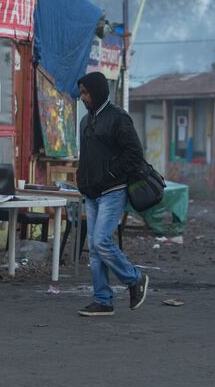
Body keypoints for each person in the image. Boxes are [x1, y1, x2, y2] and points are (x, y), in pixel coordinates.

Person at [75, 72, 149, 317]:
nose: (83, 97)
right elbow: (86, 158)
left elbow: (134, 154)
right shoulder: (85, 122)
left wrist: (109, 175)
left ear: (97, 91)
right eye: (82, 93)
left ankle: (134, 278)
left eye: (86, 93)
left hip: (112, 192)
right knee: (95, 249)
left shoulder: (118, 118)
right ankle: (103, 300)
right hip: (92, 193)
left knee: (101, 242)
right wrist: (82, 181)